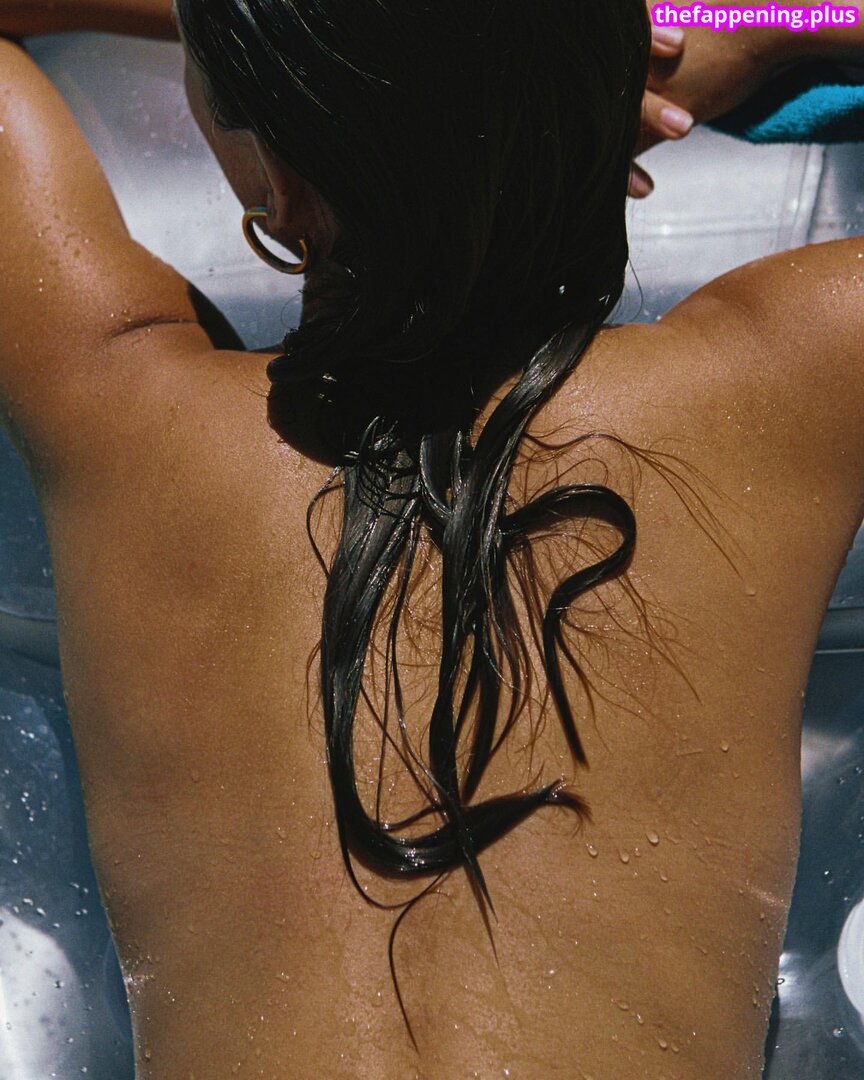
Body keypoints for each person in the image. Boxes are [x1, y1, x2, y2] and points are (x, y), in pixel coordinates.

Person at [0, 1, 861, 1076]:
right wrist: (765, 21)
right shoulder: (799, 377)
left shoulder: (110, 399)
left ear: (278, 180)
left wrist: (304, 29)